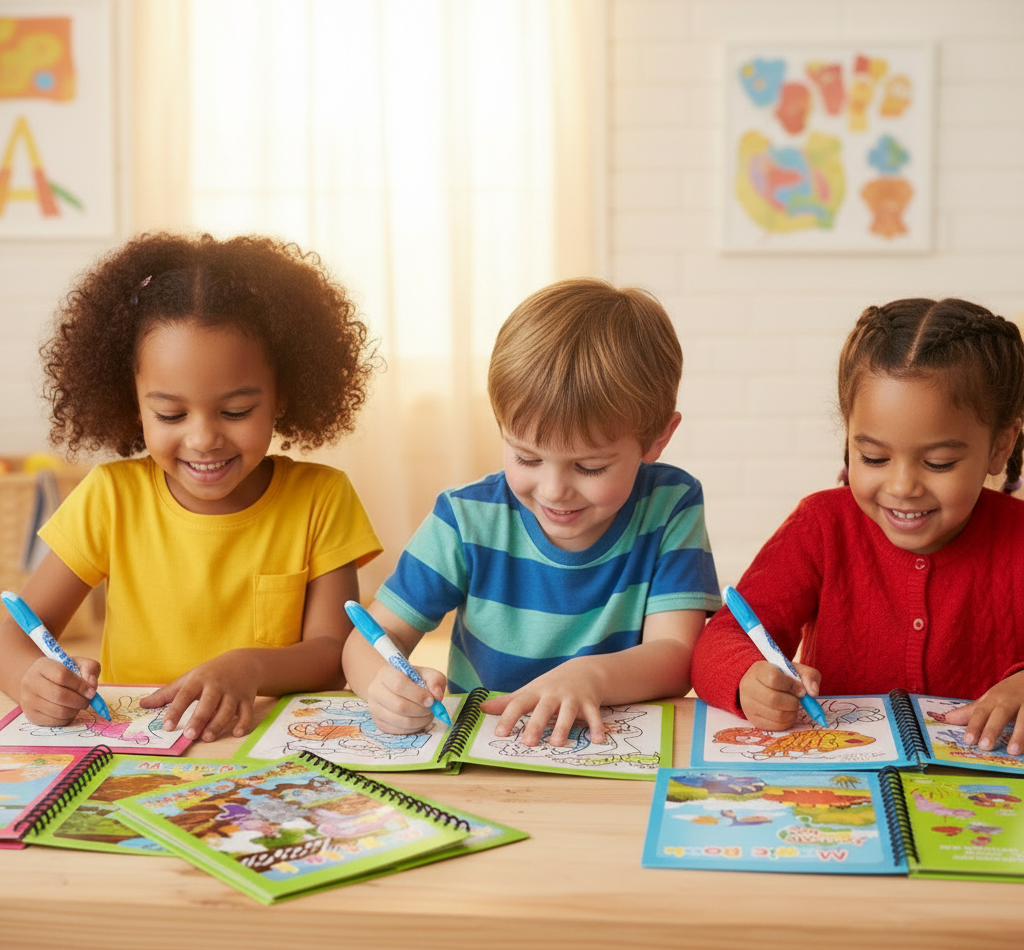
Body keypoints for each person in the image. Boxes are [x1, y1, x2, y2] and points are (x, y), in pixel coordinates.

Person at [0, 232, 382, 742]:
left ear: (283, 394)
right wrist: (30, 679)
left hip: (266, 751)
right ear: (131, 401)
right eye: (170, 413)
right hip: (135, 749)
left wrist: (249, 667)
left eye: (236, 411)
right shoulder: (110, 497)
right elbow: (13, 631)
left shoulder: (322, 497)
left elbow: (333, 653)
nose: (203, 438)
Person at [342, 278, 720, 747]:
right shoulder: (466, 518)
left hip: (611, 751)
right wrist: (383, 685)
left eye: (589, 466)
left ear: (658, 440)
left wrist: (590, 677)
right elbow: (368, 640)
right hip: (485, 750)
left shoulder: (670, 505)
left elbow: (678, 654)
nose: (554, 489)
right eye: (527, 458)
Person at [691, 297, 1024, 755]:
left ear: (1000, 447)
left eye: (939, 462)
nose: (903, 485)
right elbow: (721, 639)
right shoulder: (821, 526)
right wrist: (750, 678)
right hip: (841, 787)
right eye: (874, 458)